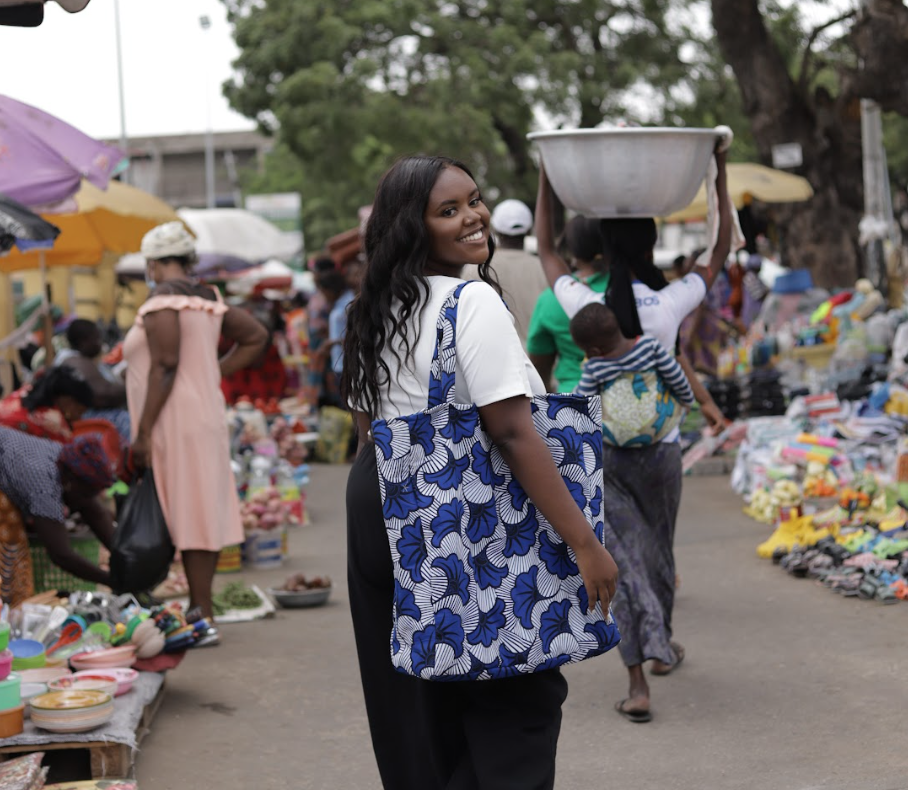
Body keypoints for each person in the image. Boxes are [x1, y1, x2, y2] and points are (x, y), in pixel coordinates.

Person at [341, 155, 618, 789]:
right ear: (415, 227)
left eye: (474, 199)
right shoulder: (471, 302)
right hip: (466, 506)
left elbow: (368, 428)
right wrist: (585, 542)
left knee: (418, 695)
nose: (472, 216)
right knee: (517, 697)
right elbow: (514, 431)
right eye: (449, 210)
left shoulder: (378, 306)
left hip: (385, 498)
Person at [536, 146, 733, 723]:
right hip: (662, 454)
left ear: (601, 248)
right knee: (658, 552)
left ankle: (638, 682)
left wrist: (547, 168)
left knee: (621, 559)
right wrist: (715, 171)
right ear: (649, 247)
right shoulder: (669, 303)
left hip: (606, 456)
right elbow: (719, 250)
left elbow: (547, 250)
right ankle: (662, 641)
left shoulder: (583, 300)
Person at [125, 221, 268, 641]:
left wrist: (144, 432)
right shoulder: (207, 298)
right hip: (200, 415)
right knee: (198, 508)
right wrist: (209, 374)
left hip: (172, 420)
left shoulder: (162, 299)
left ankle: (201, 614)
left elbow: (166, 365)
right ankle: (201, 612)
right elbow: (256, 336)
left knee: (187, 509)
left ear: (153, 264)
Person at [0, 427, 116, 588]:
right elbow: (61, 555)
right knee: (9, 559)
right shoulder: (44, 485)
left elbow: (95, 512)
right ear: (71, 482)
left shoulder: (66, 461)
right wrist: (112, 581)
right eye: (85, 494)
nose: (87, 501)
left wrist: (123, 556)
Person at [570, 303, 694, 446]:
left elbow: (583, 403)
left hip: (617, 444)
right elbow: (675, 376)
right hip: (662, 433)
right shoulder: (649, 346)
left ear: (594, 352)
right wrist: (687, 400)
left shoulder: (594, 367)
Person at [527, 216, 609, 391]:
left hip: (572, 400)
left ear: (572, 249)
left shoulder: (551, 298)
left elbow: (539, 365)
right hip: (632, 400)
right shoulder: (630, 289)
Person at [463, 198, 548, 345]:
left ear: (494, 228)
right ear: (528, 229)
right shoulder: (545, 269)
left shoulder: (475, 268)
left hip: (495, 361)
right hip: (542, 362)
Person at [56, 319, 131, 441]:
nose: (100, 344)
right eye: (97, 339)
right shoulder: (75, 361)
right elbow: (102, 396)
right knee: (127, 421)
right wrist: (132, 385)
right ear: (83, 341)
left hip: (90, 418)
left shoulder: (83, 359)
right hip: (88, 422)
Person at [0, 366, 93, 442]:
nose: (80, 418)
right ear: (68, 402)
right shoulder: (56, 425)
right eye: (80, 411)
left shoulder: (26, 390)